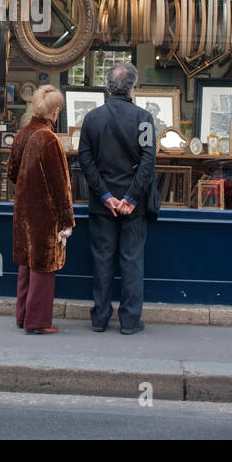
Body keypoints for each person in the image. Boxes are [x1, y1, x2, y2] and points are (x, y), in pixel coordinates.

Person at [76, 63, 158, 334]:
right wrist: (132, 197)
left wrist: (106, 196)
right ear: (132, 87)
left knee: (102, 260)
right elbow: (148, 161)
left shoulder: (92, 118)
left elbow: (85, 161)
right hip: (133, 206)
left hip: (103, 205)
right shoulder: (144, 118)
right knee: (132, 260)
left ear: (107, 85)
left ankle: (100, 318)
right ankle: (130, 320)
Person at [6, 85, 75, 335]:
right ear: (55, 111)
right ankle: (37, 322)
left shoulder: (22, 133)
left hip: (23, 210)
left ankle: (22, 315)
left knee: (26, 262)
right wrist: (67, 221)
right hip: (45, 214)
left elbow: (12, 172)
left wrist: (28, 187)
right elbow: (60, 186)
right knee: (44, 266)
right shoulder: (49, 139)